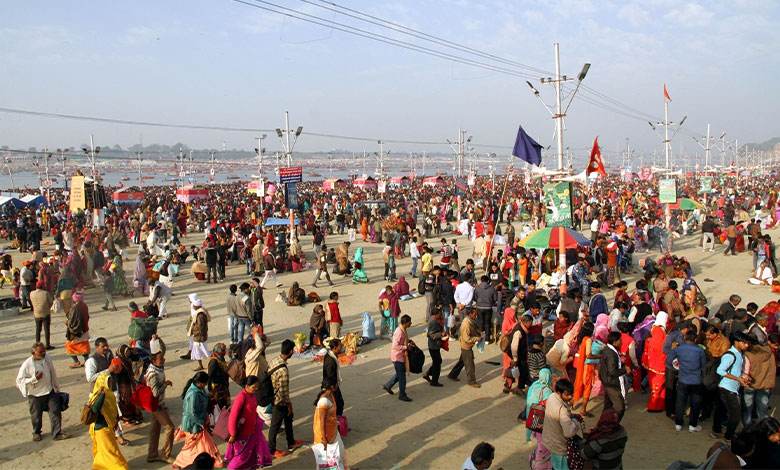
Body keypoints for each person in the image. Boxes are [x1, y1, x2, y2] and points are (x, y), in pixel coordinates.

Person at [16, 342, 66, 442]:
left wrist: (56, 387)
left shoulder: (47, 358)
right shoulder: (27, 364)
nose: (43, 353)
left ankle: (57, 433)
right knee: (36, 415)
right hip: (35, 394)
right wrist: (34, 379)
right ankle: (36, 432)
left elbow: (53, 373)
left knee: (55, 412)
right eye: (40, 352)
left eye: (44, 351)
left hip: (50, 390)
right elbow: (19, 381)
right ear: (33, 353)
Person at [174, 371, 224, 469]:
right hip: (194, 425)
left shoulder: (199, 389)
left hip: (198, 423)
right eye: (204, 384)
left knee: (196, 445)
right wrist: (200, 423)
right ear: (199, 383)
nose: (205, 385)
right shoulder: (193, 394)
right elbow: (192, 413)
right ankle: (181, 461)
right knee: (194, 444)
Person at [712, 331, 754, 442]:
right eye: (744, 343)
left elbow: (735, 370)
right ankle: (728, 436)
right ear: (736, 342)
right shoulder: (730, 355)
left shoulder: (739, 354)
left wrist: (743, 378)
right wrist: (738, 379)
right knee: (735, 414)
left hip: (730, 387)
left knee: (720, 410)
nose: (746, 345)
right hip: (727, 388)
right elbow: (720, 370)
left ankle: (716, 430)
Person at [226, 376, 272, 468]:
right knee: (241, 457)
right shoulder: (241, 397)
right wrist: (233, 434)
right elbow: (233, 416)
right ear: (247, 386)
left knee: (251, 455)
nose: (256, 389)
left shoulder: (253, 396)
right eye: (254, 387)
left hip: (252, 431)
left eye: (257, 387)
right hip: (242, 433)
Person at [267, 339, 302, 458]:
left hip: (273, 395)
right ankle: (271, 449)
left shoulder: (275, 360)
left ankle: (291, 442)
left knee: (288, 420)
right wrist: (288, 405)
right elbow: (283, 392)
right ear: (290, 351)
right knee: (275, 426)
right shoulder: (283, 371)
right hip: (279, 401)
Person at [87, 371, 129, 469]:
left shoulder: (109, 394)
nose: (110, 384)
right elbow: (95, 409)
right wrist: (101, 396)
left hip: (108, 428)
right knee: (110, 450)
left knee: (106, 450)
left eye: (110, 382)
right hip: (101, 429)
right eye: (108, 382)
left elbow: (113, 411)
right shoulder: (97, 396)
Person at [542, 378, 582, 470]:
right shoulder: (562, 409)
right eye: (567, 395)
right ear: (559, 393)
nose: (570, 397)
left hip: (550, 440)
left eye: (571, 394)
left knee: (556, 466)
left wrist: (572, 416)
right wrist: (575, 422)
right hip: (559, 446)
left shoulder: (552, 397)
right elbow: (569, 432)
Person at [313, 377, 350, 470]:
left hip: (333, 431)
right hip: (325, 435)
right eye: (336, 385)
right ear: (333, 387)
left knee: (341, 452)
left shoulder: (330, 396)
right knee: (328, 460)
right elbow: (321, 421)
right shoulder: (324, 401)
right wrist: (324, 439)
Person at [146, 352, 175, 464]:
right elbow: (155, 392)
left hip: (155, 405)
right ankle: (166, 454)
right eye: (160, 358)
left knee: (155, 429)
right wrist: (165, 384)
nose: (163, 360)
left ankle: (152, 454)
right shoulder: (153, 374)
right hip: (157, 405)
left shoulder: (157, 369)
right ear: (154, 362)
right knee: (170, 427)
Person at [742, 338, 776, 427]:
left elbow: (746, 371)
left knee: (747, 409)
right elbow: (773, 369)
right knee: (763, 409)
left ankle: (747, 429)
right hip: (765, 385)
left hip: (750, 384)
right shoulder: (769, 353)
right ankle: (766, 429)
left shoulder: (748, 355)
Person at [447, 307, 482, 388]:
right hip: (466, 346)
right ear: (470, 314)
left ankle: (453, 374)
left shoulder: (471, 321)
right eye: (474, 313)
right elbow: (467, 338)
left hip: (465, 345)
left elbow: (473, 330)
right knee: (470, 365)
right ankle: (471, 381)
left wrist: (479, 333)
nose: (476, 314)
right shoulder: (466, 324)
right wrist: (477, 339)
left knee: (462, 361)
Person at [382, 314, 414, 401]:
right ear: (406, 323)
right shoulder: (399, 332)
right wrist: (406, 347)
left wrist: (409, 341)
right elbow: (395, 346)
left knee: (400, 373)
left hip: (399, 356)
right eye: (409, 322)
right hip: (398, 357)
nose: (411, 323)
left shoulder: (402, 330)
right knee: (402, 377)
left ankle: (388, 385)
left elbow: (402, 341)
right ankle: (402, 395)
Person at [642, 311, 669, 412]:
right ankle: (653, 406)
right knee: (656, 386)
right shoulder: (659, 330)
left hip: (653, 362)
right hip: (658, 362)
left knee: (659, 386)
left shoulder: (655, 328)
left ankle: (660, 405)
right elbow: (658, 347)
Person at [600, 332, 627, 422]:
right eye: (620, 340)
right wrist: (625, 370)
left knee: (607, 407)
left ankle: (603, 424)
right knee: (620, 407)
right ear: (615, 342)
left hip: (606, 380)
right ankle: (613, 425)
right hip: (611, 383)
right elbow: (612, 371)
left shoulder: (607, 349)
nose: (621, 342)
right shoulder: (611, 353)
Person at [525, 368, 553, 444]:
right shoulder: (547, 390)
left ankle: (529, 437)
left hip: (531, 411)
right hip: (540, 414)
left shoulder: (534, 385)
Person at [65, 291, 91, 368]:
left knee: (69, 345)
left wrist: (68, 323)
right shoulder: (84, 305)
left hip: (77, 330)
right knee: (84, 345)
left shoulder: (75, 308)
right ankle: (86, 361)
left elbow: (74, 321)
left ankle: (76, 361)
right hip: (84, 329)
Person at [423, 308, 447, 387]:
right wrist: (441, 334)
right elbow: (431, 335)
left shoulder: (433, 320)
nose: (441, 315)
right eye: (439, 314)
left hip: (433, 345)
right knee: (437, 363)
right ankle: (434, 381)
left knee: (437, 361)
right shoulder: (433, 322)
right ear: (435, 315)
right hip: (434, 345)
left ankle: (428, 374)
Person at [187, 293, 210, 371]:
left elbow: (200, 327)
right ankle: (201, 365)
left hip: (199, 336)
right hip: (198, 336)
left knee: (204, 351)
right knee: (198, 352)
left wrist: (195, 332)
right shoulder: (200, 312)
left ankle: (213, 361)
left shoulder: (200, 315)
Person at [323, 339, 345, 415]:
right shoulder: (331, 361)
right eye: (340, 346)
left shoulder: (330, 355)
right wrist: (333, 387)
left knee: (338, 404)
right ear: (335, 348)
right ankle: (337, 424)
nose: (342, 347)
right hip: (331, 386)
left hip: (333, 385)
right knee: (337, 404)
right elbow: (330, 375)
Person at [30, 280, 54, 349]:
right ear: (43, 286)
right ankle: (47, 344)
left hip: (36, 313)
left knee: (38, 329)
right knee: (47, 329)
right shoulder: (46, 293)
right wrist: (47, 308)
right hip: (45, 313)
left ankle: (37, 344)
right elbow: (50, 302)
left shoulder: (32, 293)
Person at [207, 343, 230, 410]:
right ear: (218, 352)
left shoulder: (221, 359)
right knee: (219, 406)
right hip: (217, 388)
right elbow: (210, 376)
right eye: (223, 351)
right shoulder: (214, 362)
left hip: (223, 386)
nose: (225, 352)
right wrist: (210, 389)